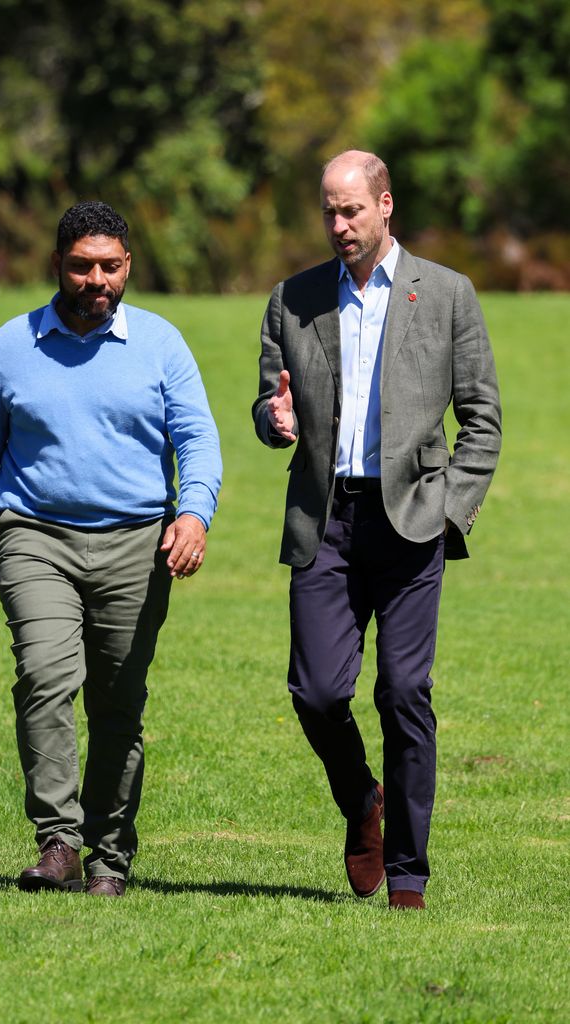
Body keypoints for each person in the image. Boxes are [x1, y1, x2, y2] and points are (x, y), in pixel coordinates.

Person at [0, 200, 222, 896]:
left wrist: (193, 512)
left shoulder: (161, 345)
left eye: (109, 266)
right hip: (35, 535)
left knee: (118, 702)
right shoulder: (13, 346)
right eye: (80, 266)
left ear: (128, 267)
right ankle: (59, 841)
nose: (95, 279)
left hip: (136, 542)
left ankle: (110, 855)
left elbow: (197, 438)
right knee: (44, 676)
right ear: (57, 266)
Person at [253, 150, 501, 910]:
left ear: (385, 205)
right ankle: (363, 800)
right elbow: (270, 404)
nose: (338, 225)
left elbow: (482, 420)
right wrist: (272, 419)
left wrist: (449, 508)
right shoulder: (291, 300)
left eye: (351, 210)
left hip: (411, 522)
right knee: (318, 692)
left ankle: (408, 875)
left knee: (403, 692)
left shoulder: (448, 294)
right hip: (324, 522)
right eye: (328, 211)